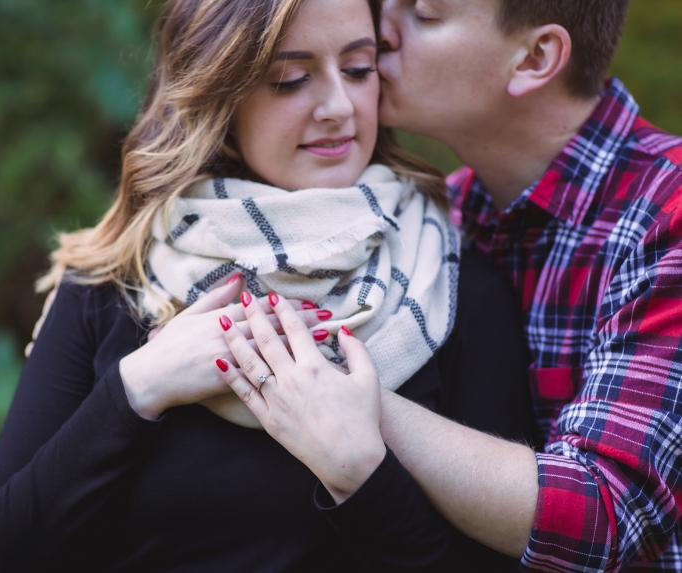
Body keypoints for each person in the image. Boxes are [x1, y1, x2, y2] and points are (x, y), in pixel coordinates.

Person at [0, 0, 536, 570]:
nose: (339, 105)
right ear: (220, 92)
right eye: (291, 79)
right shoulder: (113, 282)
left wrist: (362, 475)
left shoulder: (453, 284)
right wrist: (138, 387)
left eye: (359, 69)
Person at [219, 0, 682, 571]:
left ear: (535, 58)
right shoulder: (442, 219)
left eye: (424, 14)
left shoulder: (667, 215)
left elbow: (607, 516)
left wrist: (325, 385)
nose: (380, 30)